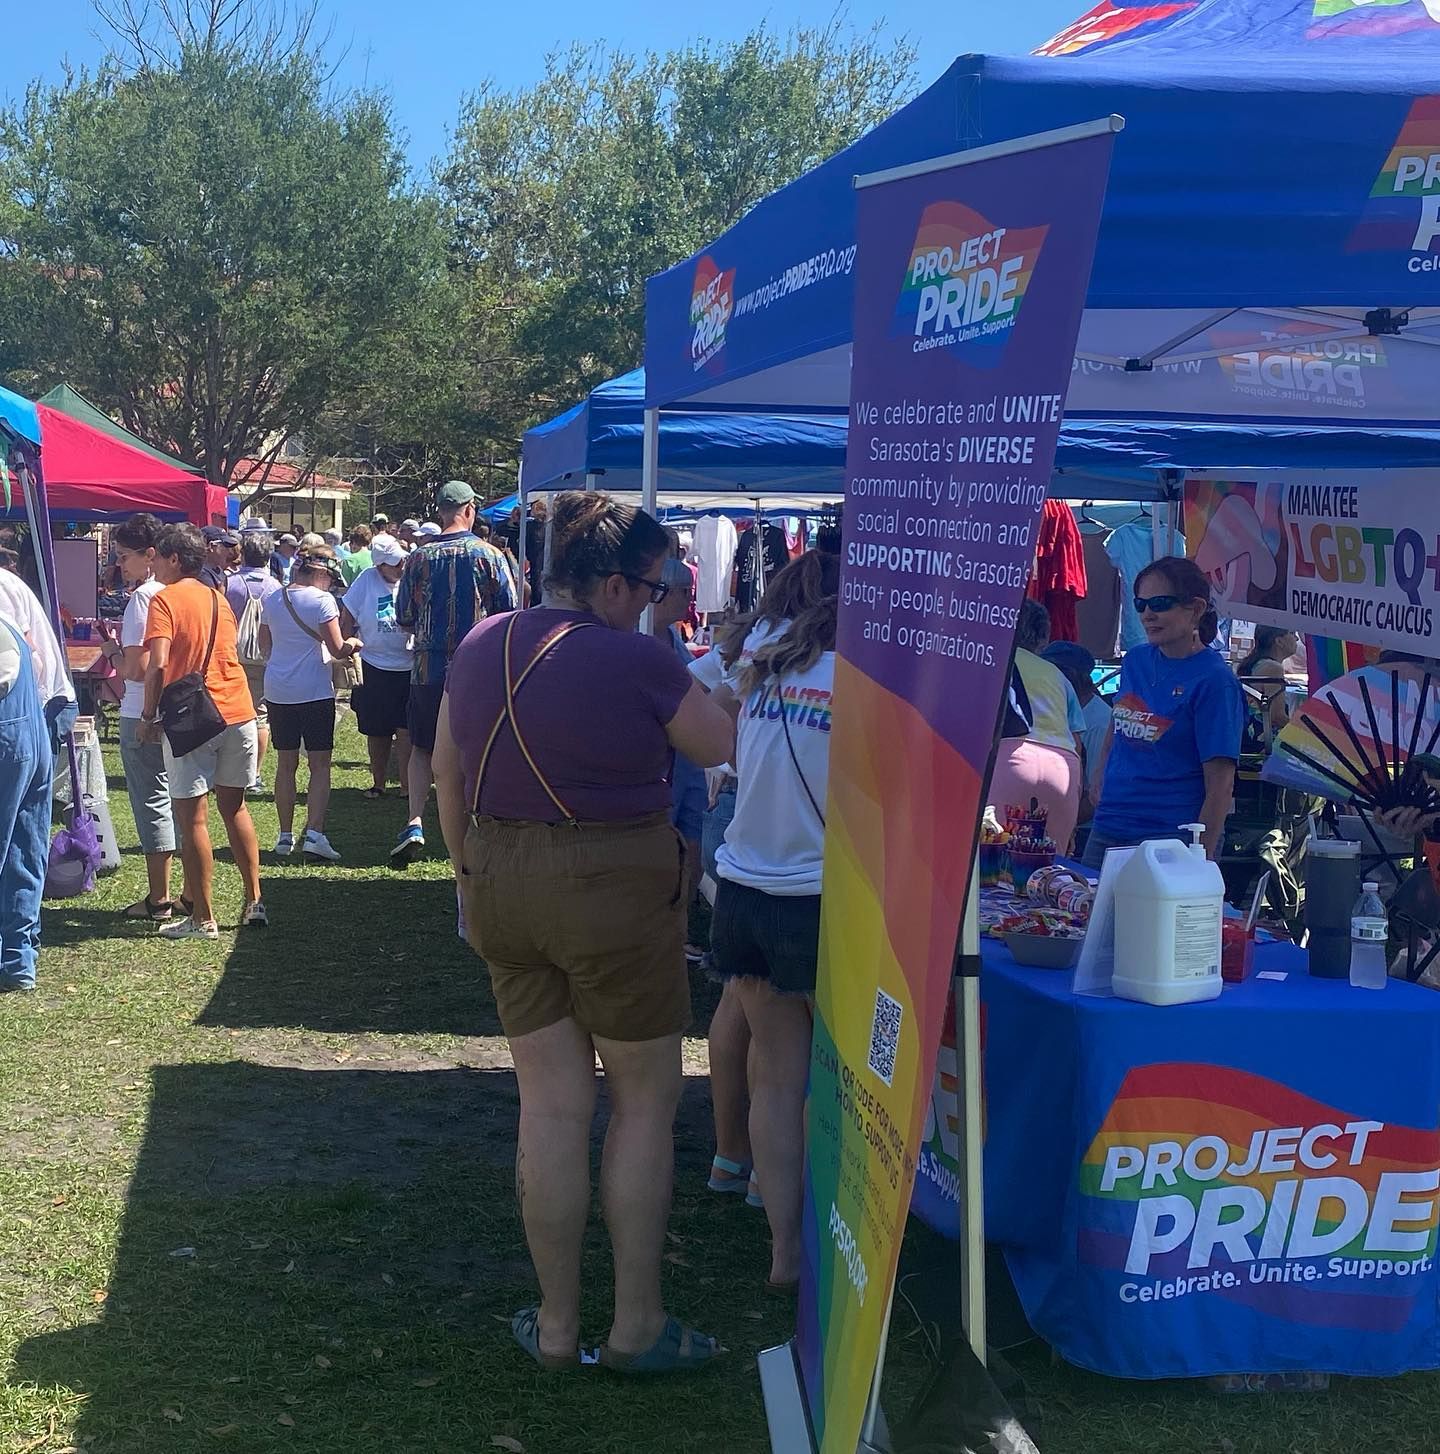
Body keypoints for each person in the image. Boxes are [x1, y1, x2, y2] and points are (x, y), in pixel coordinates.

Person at [432, 491, 733, 1373]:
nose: (655, 601)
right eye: (651, 586)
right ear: (610, 584)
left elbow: (449, 773)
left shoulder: (481, 642)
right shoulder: (635, 659)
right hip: (613, 885)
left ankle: (557, 1326)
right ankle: (635, 1324)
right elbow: (716, 744)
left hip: (499, 880)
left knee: (552, 1105)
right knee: (643, 1098)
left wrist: (469, 874)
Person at [706, 557, 838, 1290]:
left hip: (745, 887)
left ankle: (783, 1249)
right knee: (839, 1079)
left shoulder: (765, 653)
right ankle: (833, 1234)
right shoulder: (867, 672)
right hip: (820, 896)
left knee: (779, 1080)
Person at [139, 524, 267, 938]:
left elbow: (157, 663)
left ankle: (202, 918)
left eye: (158, 555)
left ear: (175, 559)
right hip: (238, 709)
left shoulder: (164, 600)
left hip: (194, 715)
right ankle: (254, 902)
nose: (153, 562)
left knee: (192, 817)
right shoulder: (217, 597)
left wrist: (146, 715)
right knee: (236, 808)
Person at [1083, 556, 1244, 868]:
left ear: (1196, 609)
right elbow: (1119, 722)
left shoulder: (1214, 681)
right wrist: (1100, 772)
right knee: (1084, 915)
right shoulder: (1135, 661)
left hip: (1169, 837)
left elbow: (1221, 785)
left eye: (1160, 603)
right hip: (1109, 824)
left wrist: (1201, 863)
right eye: (1140, 604)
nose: (1147, 614)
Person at [391, 481, 516, 864]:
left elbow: (404, 618)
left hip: (427, 668)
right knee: (476, 748)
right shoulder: (490, 555)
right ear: (470, 509)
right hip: (476, 669)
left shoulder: (417, 559)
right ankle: (475, 820)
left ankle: (415, 819)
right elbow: (509, 613)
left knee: (421, 746)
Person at [259, 545, 360, 861]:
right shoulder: (322, 601)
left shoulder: (273, 598)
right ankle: (314, 833)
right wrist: (355, 643)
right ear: (320, 572)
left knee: (285, 764)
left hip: (278, 690)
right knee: (319, 764)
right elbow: (338, 648)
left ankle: (285, 836)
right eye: (330, 577)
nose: (331, 583)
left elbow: (265, 647)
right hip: (314, 690)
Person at [102, 513, 179, 920]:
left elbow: (137, 667)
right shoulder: (183, 590)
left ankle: (159, 896)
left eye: (124, 556)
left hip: (142, 709)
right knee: (183, 799)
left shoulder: (143, 598)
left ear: (150, 555)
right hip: (183, 711)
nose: (120, 566)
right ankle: (185, 891)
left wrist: (113, 652)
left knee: (151, 801)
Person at [988, 600, 1086, 853]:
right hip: (1063, 765)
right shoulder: (1057, 674)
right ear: (1043, 638)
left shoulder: (993, 658)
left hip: (1009, 757)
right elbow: (1077, 742)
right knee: (1050, 869)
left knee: (991, 862)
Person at [652, 557, 706, 958]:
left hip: (687, 763)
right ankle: (658, 938)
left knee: (692, 852)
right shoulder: (635, 641)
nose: (689, 601)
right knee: (662, 855)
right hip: (660, 765)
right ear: (663, 593)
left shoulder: (671, 638)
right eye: (685, 593)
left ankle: (678, 935)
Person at [0, 607, 52, 992]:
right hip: (31, 735)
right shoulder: (9, 620)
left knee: (21, 849)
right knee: (25, 849)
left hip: (7, 738)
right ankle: (18, 961)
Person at [339, 533, 413, 799]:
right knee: (377, 731)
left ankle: (407, 787)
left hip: (409, 666)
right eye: (394, 563)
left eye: (401, 560)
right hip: (374, 666)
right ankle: (378, 782)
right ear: (380, 565)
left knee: (407, 731)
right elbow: (347, 614)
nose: (401, 566)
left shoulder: (410, 576)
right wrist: (347, 645)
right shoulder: (366, 580)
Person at [227, 529, 281, 791]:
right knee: (260, 716)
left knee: (227, 713)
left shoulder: (230, 585)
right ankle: (254, 775)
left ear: (243, 554)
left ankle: (227, 771)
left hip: (231, 656)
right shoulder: (276, 588)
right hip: (264, 656)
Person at [1236, 625, 1299, 734]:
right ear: (1279, 641)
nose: (1297, 638)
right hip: (1262, 740)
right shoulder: (1273, 668)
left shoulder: (1259, 663)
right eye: (1292, 633)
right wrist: (1302, 733)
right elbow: (1276, 717)